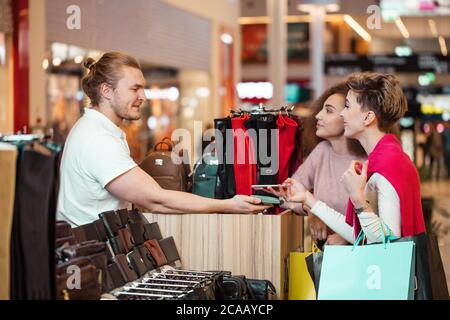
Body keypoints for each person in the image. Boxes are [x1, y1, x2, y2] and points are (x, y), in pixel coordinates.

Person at [57, 52, 270, 227]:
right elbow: (156, 199)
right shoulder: (97, 138)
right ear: (106, 91)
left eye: (142, 88)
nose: (143, 96)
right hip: (92, 261)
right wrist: (229, 205)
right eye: (134, 89)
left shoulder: (98, 129)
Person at [274, 72, 426, 244]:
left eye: (347, 106)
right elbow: (359, 234)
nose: (343, 115)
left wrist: (358, 198)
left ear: (368, 117)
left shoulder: (388, 164)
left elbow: (387, 240)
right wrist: (308, 200)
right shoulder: (384, 157)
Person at [268, 82, 366, 246]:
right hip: (325, 255)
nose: (317, 116)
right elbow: (289, 195)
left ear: (349, 115)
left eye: (328, 111)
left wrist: (348, 237)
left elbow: (379, 222)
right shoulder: (322, 151)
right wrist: (312, 211)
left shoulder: (367, 160)